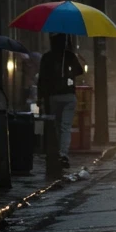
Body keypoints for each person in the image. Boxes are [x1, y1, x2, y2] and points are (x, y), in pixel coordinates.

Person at [37, 34, 83, 167]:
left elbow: (42, 78)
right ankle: (63, 153)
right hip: (69, 95)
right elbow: (79, 71)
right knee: (65, 127)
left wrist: (40, 97)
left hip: (53, 96)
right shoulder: (69, 56)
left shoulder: (47, 57)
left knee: (56, 125)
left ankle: (57, 152)